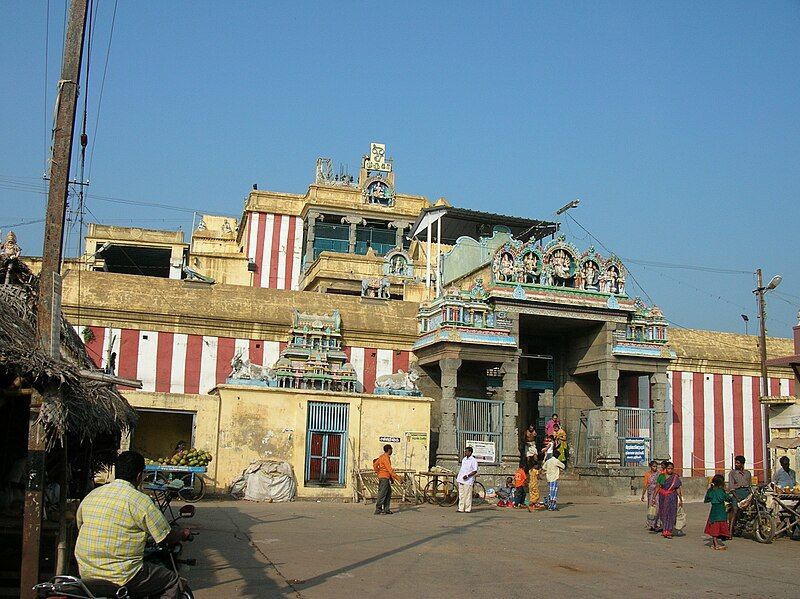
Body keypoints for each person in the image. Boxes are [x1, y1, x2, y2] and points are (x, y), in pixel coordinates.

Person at [75, 451, 190, 599]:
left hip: (87, 572)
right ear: (139, 476)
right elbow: (164, 536)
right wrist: (182, 534)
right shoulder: (140, 501)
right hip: (123, 575)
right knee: (172, 581)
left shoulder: (93, 495)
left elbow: (80, 525)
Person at [704, 474, 733, 550]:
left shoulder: (711, 491)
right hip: (720, 511)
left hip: (713, 511)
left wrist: (710, 489)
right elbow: (727, 498)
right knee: (717, 528)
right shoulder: (721, 491)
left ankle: (714, 543)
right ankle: (716, 545)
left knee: (714, 527)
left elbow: (706, 499)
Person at [656, 461, 683, 539]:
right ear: (665, 469)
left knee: (671, 513)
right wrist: (654, 498)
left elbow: (678, 489)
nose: (670, 470)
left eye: (671, 469)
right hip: (663, 497)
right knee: (663, 513)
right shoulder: (661, 476)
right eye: (668, 468)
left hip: (672, 497)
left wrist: (680, 499)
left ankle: (669, 531)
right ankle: (665, 529)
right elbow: (658, 487)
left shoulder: (675, 477)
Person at [373, 444, 400, 515]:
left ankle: (386, 509)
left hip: (384, 477)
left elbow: (375, 465)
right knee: (382, 493)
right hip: (384, 478)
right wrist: (398, 478)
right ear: (389, 450)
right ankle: (378, 508)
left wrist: (378, 471)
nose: (392, 451)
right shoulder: (385, 458)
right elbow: (390, 469)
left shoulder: (381, 457)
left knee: (388, 492)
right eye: (391, 449)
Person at [727, 455, 752, 532]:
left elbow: (750, 485)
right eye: (736, 463)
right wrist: (736, 497)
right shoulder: (732, 473)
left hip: (746, 493)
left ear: (742, 464)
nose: (736, 464)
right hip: (736, 493)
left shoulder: (748, 473)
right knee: (735, 510)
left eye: (738, 463)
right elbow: (731, 487)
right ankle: (730, 532)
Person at [457, 446, 479, 513]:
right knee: (461, 495)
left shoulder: (473, 461)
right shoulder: (464, 459)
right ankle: (461, 508)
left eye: (466, 451)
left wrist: (467, 476)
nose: (465, 452)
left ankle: (467, 508)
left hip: (468, 480)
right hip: (461, 479)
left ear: (470, 452)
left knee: (467, 495)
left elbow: (475, 471)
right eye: (465, 451)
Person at [641, 460, 661, 531]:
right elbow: (645, 485)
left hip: (658, 493)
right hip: (650, 493)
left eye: (656, 466)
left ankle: (658, 524)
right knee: (651, 508)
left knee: (658, 508)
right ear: (650, 467)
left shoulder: (659, 474)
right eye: (653, 466)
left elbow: (661, 483)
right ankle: (651, 524)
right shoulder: (647, 474)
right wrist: (643, 495)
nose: (655, 468)